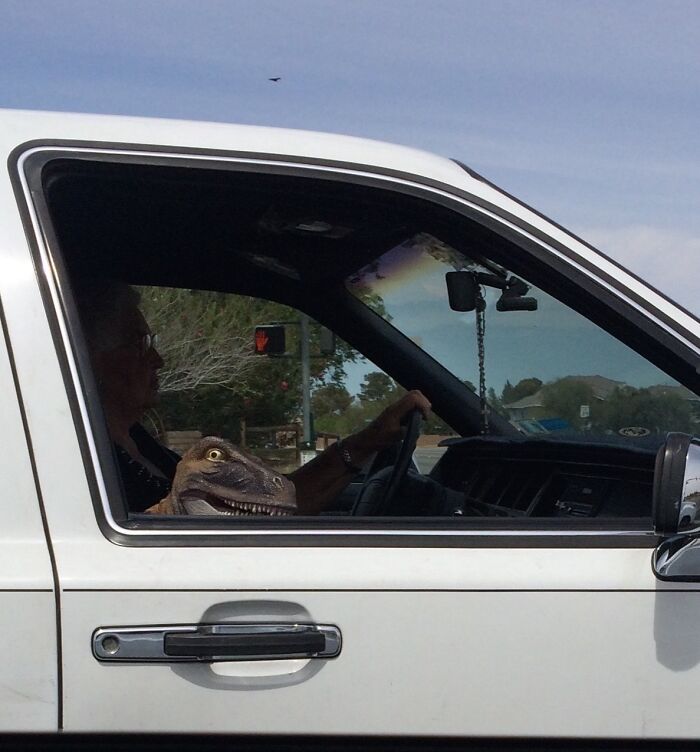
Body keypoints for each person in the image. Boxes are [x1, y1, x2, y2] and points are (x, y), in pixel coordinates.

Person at [76, 280, 431, 514]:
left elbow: (278, 500)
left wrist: (368, 442)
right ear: (90, 355)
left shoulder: (137, 440)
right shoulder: (83, 457)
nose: (158, 359)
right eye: (140, 344)